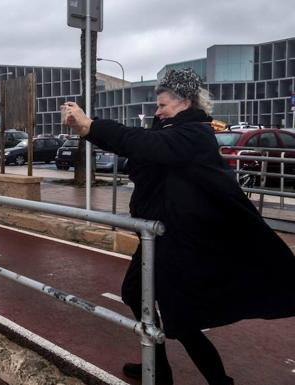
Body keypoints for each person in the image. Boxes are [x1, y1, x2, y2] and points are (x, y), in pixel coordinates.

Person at [62, 68, 295, 385]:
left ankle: (217, 380)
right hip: (158, 235)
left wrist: (91, 126)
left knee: (181, 319)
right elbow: (138, 146)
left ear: (185, 102)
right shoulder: (169, 129)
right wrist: (89, 131)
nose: (156, 111)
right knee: (135, 293)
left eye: (162, 105)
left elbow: (142, 144)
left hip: (183, 241)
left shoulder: (194, 135)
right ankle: (158, 367)